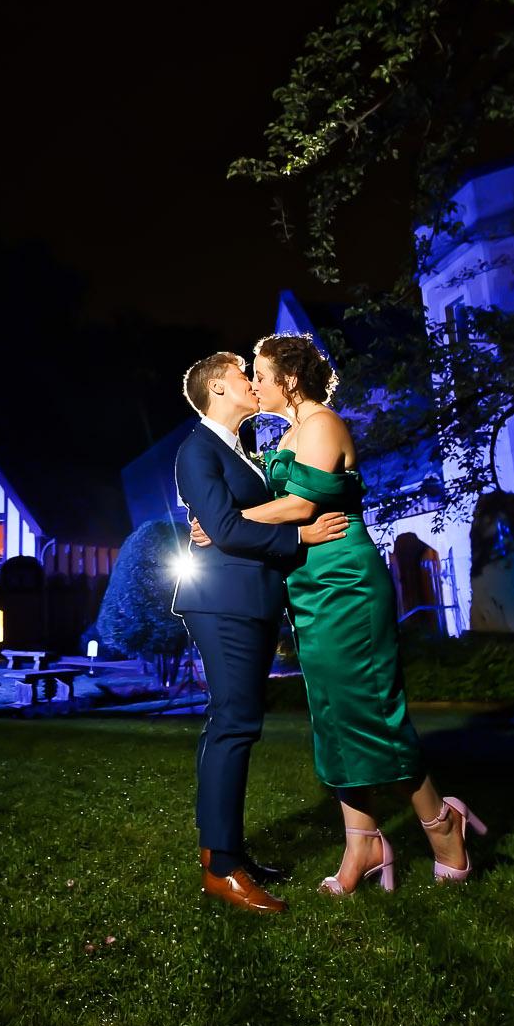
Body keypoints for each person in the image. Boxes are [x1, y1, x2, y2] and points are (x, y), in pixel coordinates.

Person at [192, 333, 485, 891]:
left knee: (371, 709)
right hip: (307, 585)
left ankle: (440, 821)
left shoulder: (322, 424)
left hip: (345, 580)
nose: (255, 382)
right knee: (333, 716)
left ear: (289, 379)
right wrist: (228, 519)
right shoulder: (288, 435)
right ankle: (362, 846)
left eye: (261, 373)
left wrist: (226, 520)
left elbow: (302, 504)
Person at [172, 351, 350, 914]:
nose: (252, 383)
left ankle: (227, 851)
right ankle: (221, 868)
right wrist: (301, 538)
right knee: (233, 723)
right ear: (217, 390)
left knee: (237, 724)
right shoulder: (197, 450)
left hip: (247, 601)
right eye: (240, 376)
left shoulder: (238, 452)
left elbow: (230, 522)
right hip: (223, 603)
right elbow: (225, 529)